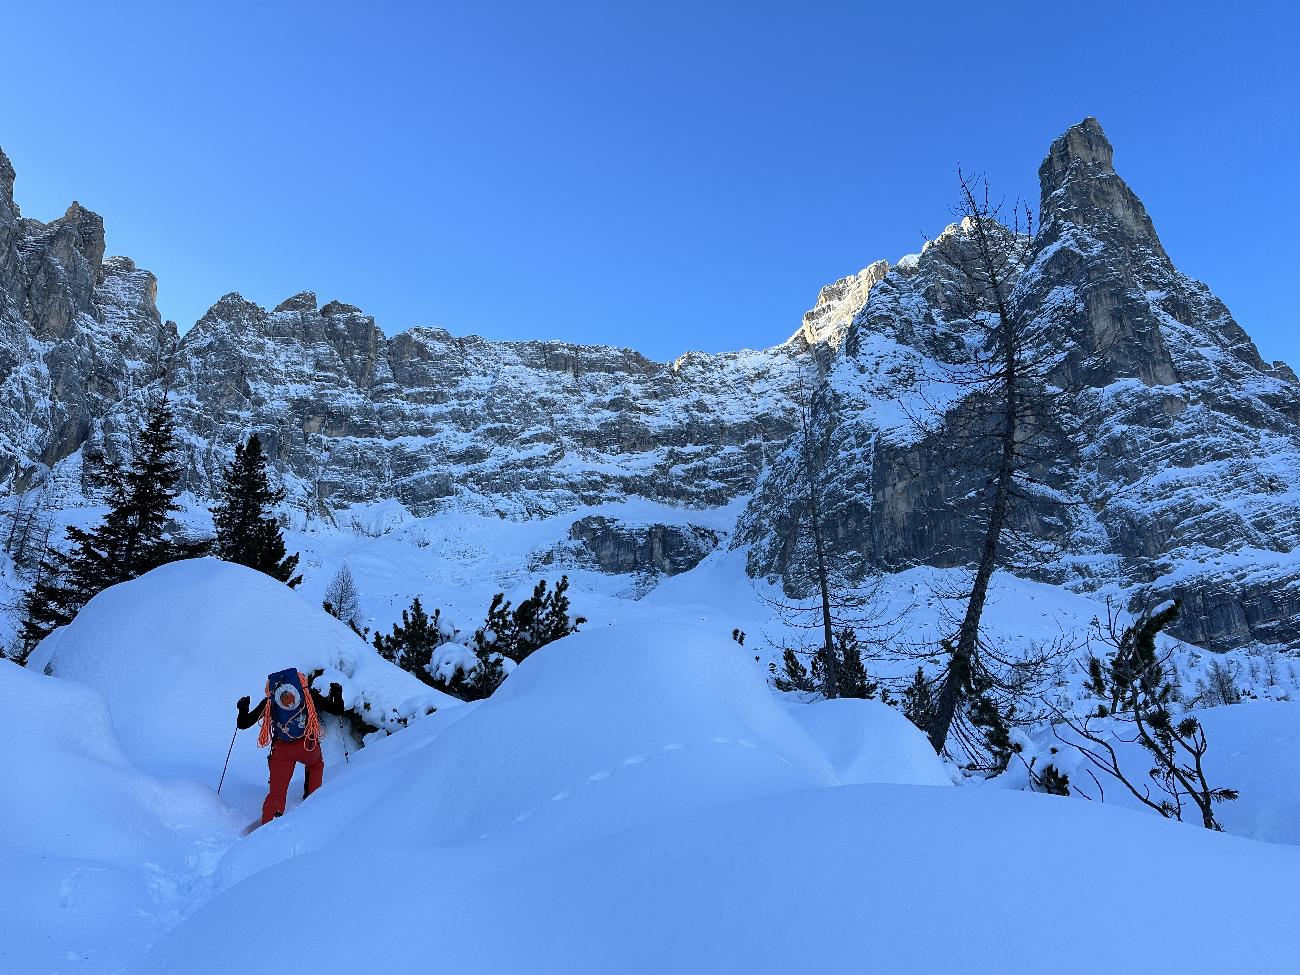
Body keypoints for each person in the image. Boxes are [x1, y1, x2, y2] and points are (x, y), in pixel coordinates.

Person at [237, 668, 346, 825]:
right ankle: (312, 802)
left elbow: (243, 724)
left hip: (281, 750)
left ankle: (270, 821)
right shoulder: (307, 695)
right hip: (307, 745)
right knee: (315, 765)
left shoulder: (270, 701)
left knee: (276, 792)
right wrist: (337, 694)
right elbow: (337, 710)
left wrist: (243, 708)